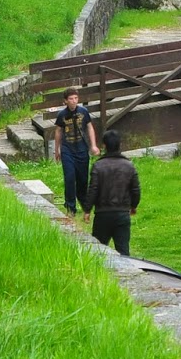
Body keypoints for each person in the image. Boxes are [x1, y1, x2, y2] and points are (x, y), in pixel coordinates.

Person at [85, 129, 140, 255]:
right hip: (122, 214)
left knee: (98, 251)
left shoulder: (98, 166)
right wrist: (134, 206)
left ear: (104, 146)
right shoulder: (129, 166)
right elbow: (135, 189)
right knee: (123, 250)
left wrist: (87, 210)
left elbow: (93, 189)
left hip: (102, 214)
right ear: (119, 145)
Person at [53, 88, 98, 220]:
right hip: (68, 150)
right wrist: (57, 149)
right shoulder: (62, 115)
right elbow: (58, 131)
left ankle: (84, 204)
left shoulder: (83, 112)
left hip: (82, 149)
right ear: (65, 101)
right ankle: (70, 207)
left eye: (76, 98)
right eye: (71, 99)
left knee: (83, 180)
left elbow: (89, 127)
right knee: (69, 178)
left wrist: (93, 145)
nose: (74, 101)